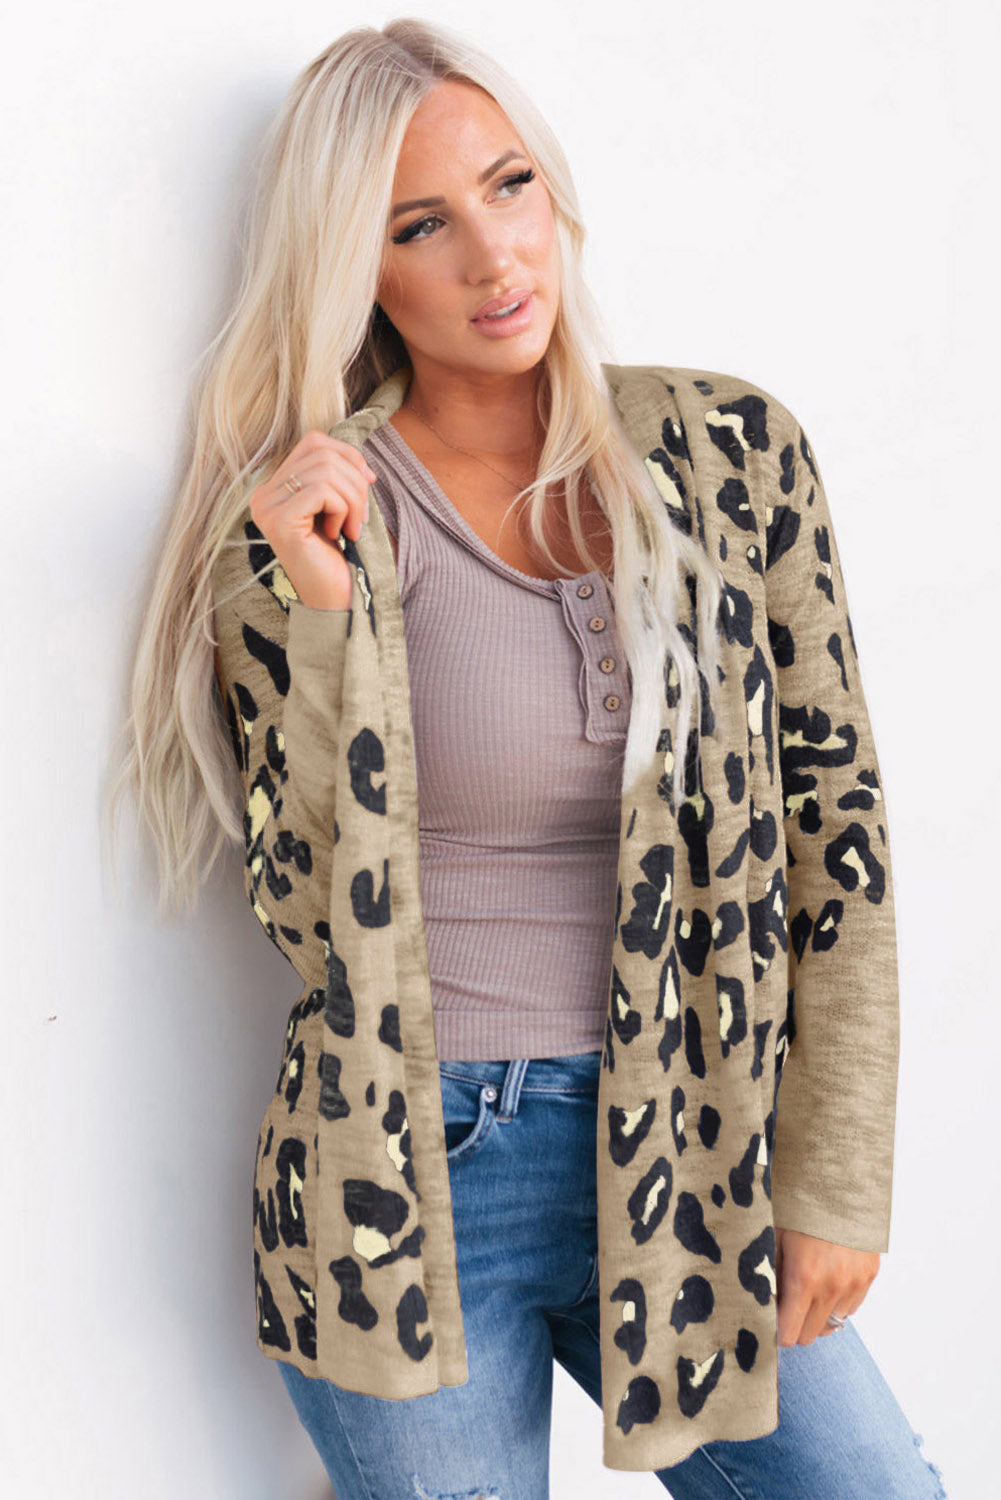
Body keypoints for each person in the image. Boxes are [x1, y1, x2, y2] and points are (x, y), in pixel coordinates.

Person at [109, 17, 949, 1499]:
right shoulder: (311, 520)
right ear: (356, 269)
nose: (493, 256)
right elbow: (308, 901)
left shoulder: (733, 455)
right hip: (404, 1178)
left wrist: (833, 1176)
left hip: (691, 1136)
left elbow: (841, 833)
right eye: (418, 226)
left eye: (508, 187)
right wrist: (320, 619)